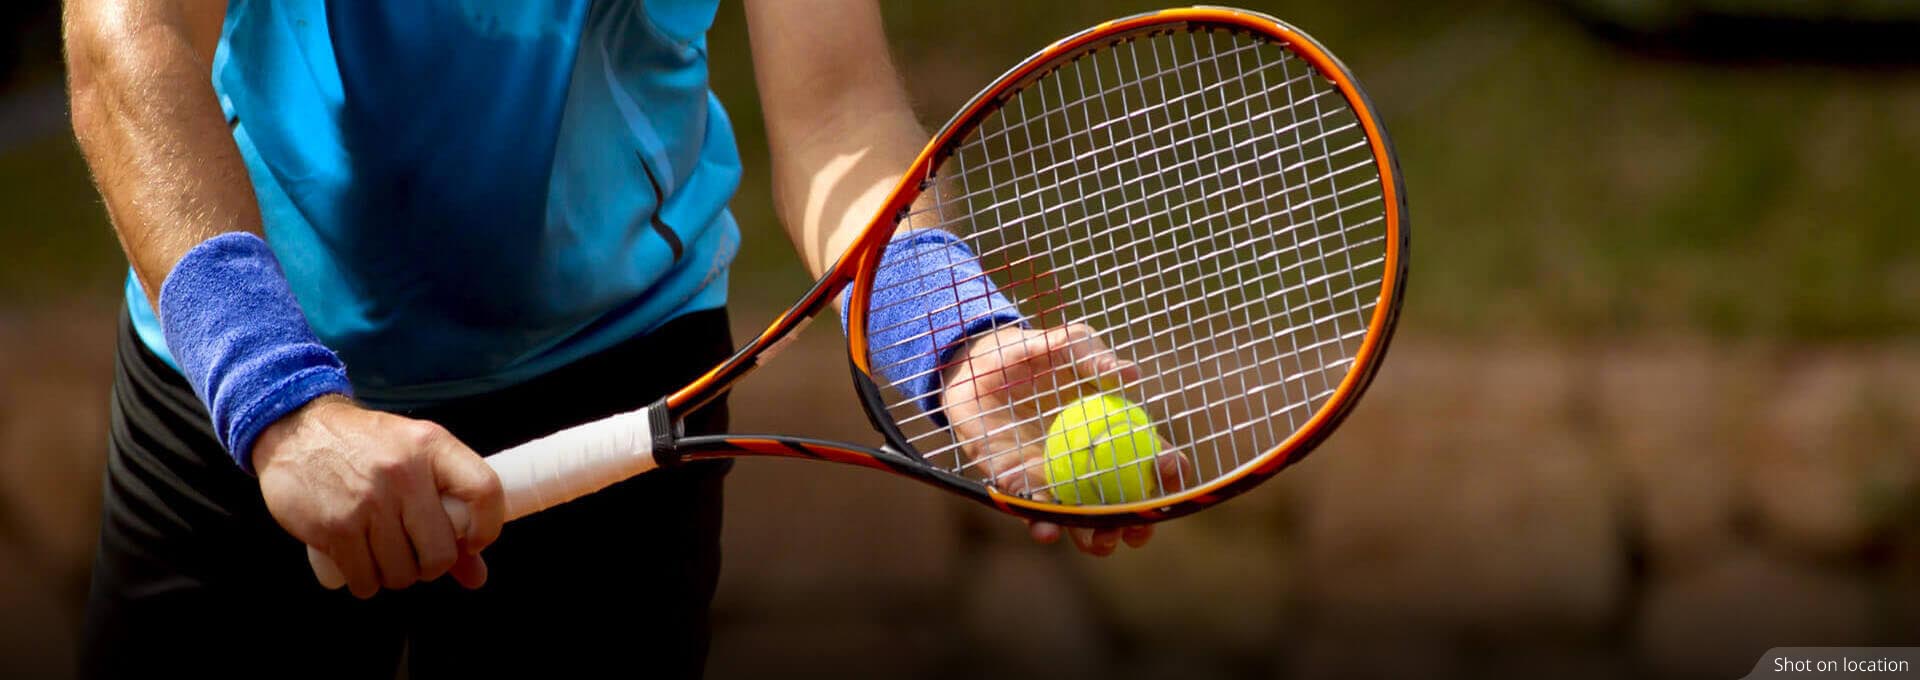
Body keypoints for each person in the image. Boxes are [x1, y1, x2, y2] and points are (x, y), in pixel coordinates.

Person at [66, 0, 1166, 676]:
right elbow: (125, 36)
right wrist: (282, 402)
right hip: (235, 376)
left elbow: (837, 114)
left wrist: (948, 332)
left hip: (618, 378)